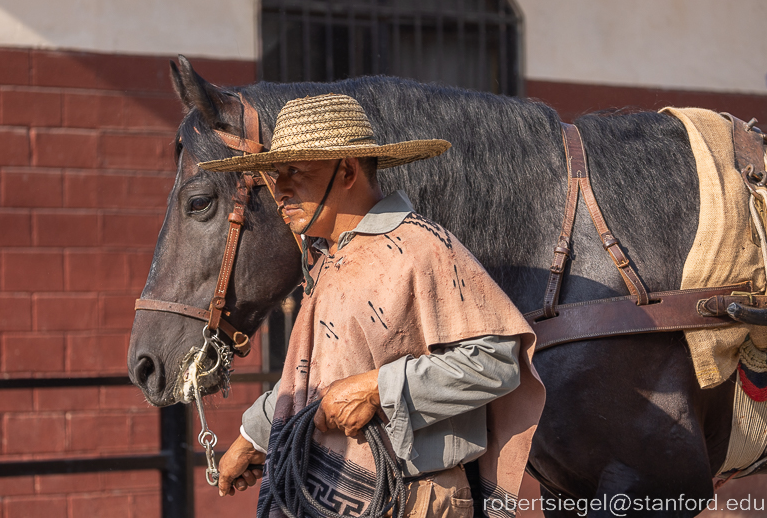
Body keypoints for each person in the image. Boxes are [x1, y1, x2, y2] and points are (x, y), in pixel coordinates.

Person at [201, 93, 545, 518]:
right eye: (275, 174)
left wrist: (376, 388)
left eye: (295, 172)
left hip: (414, 500)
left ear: (346, 171)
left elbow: (496, 363)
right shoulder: (329, 259)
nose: (280, 190)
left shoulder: (422, 247)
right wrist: (253, 437)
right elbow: (322, 373)